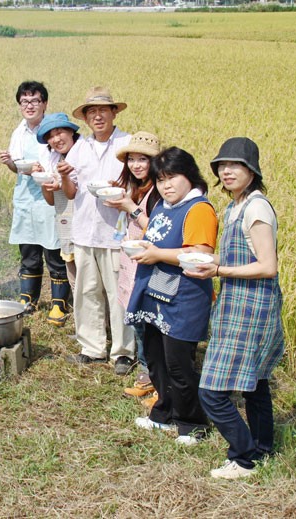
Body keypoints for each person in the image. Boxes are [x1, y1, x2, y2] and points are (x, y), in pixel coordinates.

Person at [185, 137, 285, 479]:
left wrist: (217, 270)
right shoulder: (236, 207)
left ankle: (243, 457)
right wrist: (206, 260)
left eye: (235, 165)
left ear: (252, 171)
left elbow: (267, 265)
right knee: (255, 383)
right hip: (238, 302)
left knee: (211, 391)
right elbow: (236, 256)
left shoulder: (257, 208)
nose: (226, 171)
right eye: (221, 166)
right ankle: (262, 447)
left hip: (251, 309)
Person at [125, 146, 218, 445]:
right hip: (157, 290)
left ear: (189, 176)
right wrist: (143, 248)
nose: (166, 185)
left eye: (172, 177)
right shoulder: (165, 205)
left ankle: (193, 424)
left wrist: (156, 254)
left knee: (178, 362)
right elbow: (156, 236)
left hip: (184, 297)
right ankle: (164, 414)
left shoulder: (199, 209)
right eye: (161, 179)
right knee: (156, 358)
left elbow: (201, 254)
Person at [60, 86, 135, 376]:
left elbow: (139, 183)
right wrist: (65, 176)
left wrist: (123, 192)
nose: (98, 116)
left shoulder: (127, 144)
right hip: (84, 231)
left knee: (119, 293)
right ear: (86, 119)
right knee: (86, 290)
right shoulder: (79, 148)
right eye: (92, 112)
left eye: (103, 110)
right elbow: (71, 192)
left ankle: (123, 352)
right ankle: (91, 348)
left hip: (116, 234)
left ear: (114, 112)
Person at [0, 82, 69, 324]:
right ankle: (28, 298)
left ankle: (60, 302)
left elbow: (63, 159)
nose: (29, 106)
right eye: (24, 102)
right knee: (28, 249)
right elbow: (17, 168)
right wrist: (9, 162)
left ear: (45, 104)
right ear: (19, 106)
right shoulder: (18, 132)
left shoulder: (53, 130)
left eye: (35, 101)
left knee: (54, 251)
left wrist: (43, 171)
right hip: (25, 198)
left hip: (49, 198)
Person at [104, 131, 162, 399]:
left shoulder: (160, 189)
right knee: (137, 319)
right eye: (132, 159)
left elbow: (159, 230)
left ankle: (157, 380)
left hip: (151, 264)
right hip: (132, 262)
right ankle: (147, 375)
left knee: (151, 323)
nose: (136, 165)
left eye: (143, 159)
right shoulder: (136, 187)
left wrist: (130, 207)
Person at [33, 112, 81, 325]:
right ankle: (84, 328)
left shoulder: (82, 155)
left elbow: (76, 190)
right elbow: (51, 200)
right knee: (75, 280)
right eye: (50, 136)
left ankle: (102, 329)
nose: (56, 138)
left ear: (71, 131)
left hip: (84, 227)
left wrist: (62, 181)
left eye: (60, 131)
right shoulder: (55, 159)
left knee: (91, 283)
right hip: (65, 225)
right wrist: (43, 180)